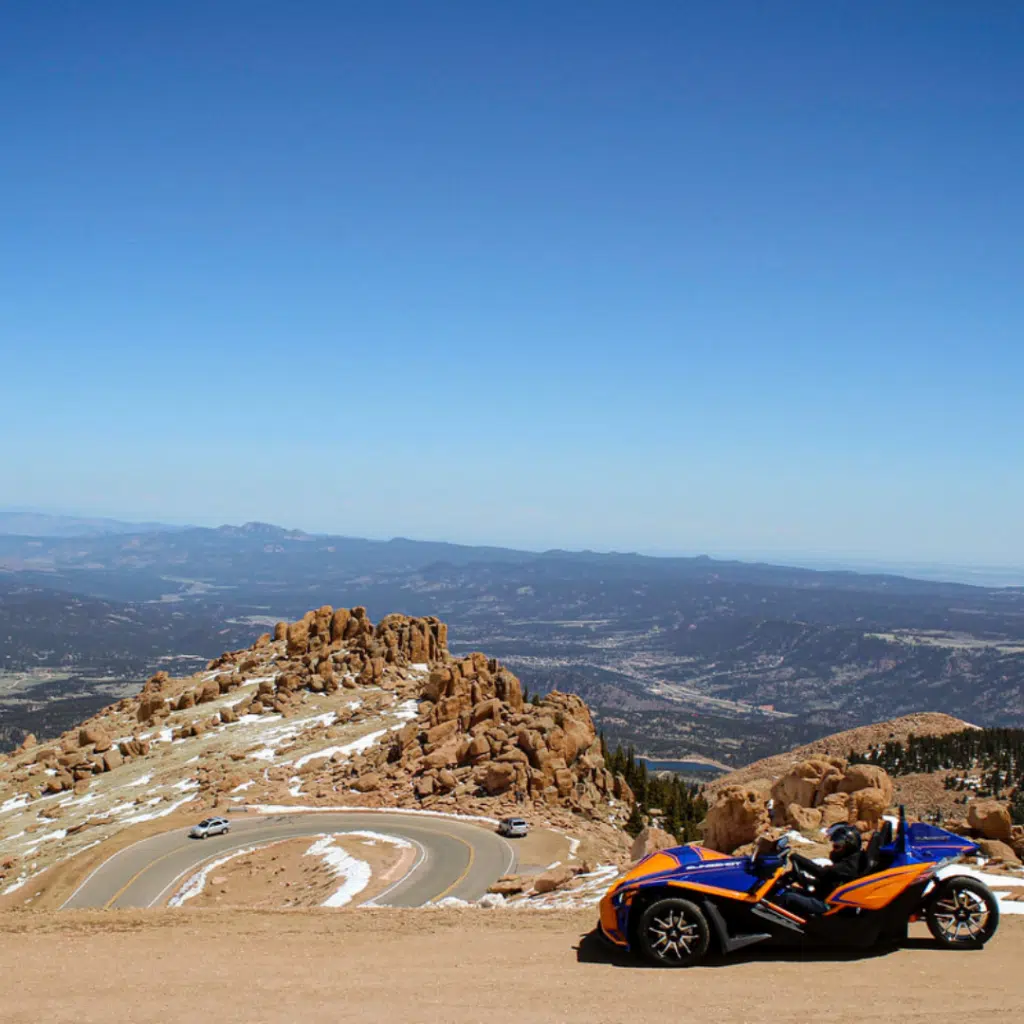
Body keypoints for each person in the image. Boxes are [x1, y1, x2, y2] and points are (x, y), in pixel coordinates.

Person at [774, 823, 866, 918]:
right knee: (788, 890)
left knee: (787, 897)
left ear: (848, 846)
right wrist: (804, 879)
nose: (833, 850)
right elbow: (827, 882)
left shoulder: (849, 867)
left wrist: (797, 857)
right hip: (823, 898)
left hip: (827, 906)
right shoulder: (847, 862)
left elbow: (821, 872)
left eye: (837, 846)